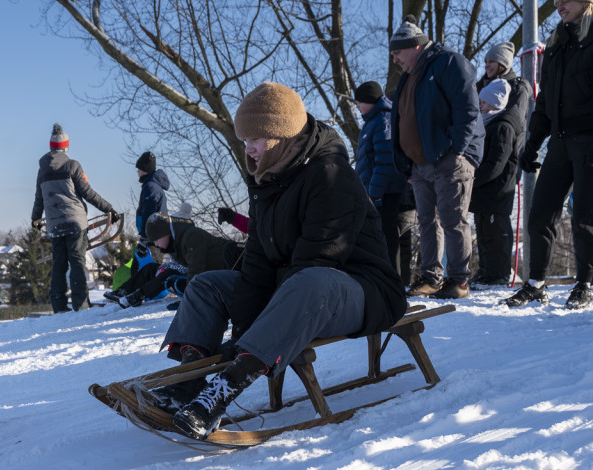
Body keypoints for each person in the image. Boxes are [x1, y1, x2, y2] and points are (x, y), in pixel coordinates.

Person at [151, 82, 406, 440]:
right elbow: (256, 263)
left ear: (281, 135)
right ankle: (189, 380)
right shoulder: (268, 181)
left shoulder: (331, 175)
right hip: (295, 287)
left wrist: (249, 342)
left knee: (311, 281)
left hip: (360, 291)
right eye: (245, 140)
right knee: (207, 284)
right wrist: (243, 328)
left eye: (255, 139)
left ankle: (224, 389)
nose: (249, 148)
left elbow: (320, 258)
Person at [504, 0, 593, 309]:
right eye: (557, 2)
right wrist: (532, 143)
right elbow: (545, 101)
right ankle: (536, 283)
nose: (559, 7)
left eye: (566, 1)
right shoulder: (558, 42)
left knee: (585, 215)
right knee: (540, 213)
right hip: (560, 140)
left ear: (586, 1)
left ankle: (583, 284)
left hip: (592, 140)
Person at [391, 15, 486, 299]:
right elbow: (401, 121)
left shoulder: (448, 62)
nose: (395, 60)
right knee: (426, 222)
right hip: (419, 165)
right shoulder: (408, 77)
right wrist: (406, 164)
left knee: (453, 219)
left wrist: (455, 149)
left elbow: (467, 109)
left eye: (397, 53)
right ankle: (431, 278)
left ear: (415, 46)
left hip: (449, 159)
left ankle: (458, 280)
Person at [32, 123, 121, 313]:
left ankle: (58, 305)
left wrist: (35, 219)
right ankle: (81, 305)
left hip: (55, 224)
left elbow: (39, 197)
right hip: (75, 223)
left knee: (59, 264)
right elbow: (88, 193)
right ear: (66, 146)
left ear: (51, 146)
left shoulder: (42, 170)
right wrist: (109, 209)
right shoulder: (72, 165)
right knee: (77, 262)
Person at [354, 80, 416, 285]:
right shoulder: (372, 122)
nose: (357, 107)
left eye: (360, 102)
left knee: (388, 236)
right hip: (377, 190)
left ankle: (393, 280)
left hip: (387, 192)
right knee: (381, 236)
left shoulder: (383, 120)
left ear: (370, 101)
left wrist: (374, 193)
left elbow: (384, 161)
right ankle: (386, 278)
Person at [107, 212, 233, 308]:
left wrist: (188, 301)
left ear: (165, 233)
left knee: (168, 275)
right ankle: (123, 291)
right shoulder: (174, 242)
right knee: (151, 268)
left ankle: (137, 296)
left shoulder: (192, 237)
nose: (156, 244)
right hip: (199, 274)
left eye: (156, 240)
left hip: (222, 274)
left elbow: (196, 269)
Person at [470, 79, 523, 286]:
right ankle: (486, 271)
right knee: (483, 233)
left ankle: (498, 274)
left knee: (495, 234)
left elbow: (496, 163)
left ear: (495, 103)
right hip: (485, 191)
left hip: (496, 191)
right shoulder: (489, 124)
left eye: (484, 102)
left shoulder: (502, 127)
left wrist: (474, 179)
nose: (481, 106)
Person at [475, 41, 532, 131]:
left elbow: (515, 123)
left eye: (491, 61)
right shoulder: (481, 87)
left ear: (503, 64)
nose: (486, 66)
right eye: (486, 62)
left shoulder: (517, 89)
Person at [134, 151, 170, 240]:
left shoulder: (150, 187)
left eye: (139, 168)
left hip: (154, 234)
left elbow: (149, 212)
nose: (137, 171)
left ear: (145, 170)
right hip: (155, 233)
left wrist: (145, 235)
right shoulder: (152, 185)